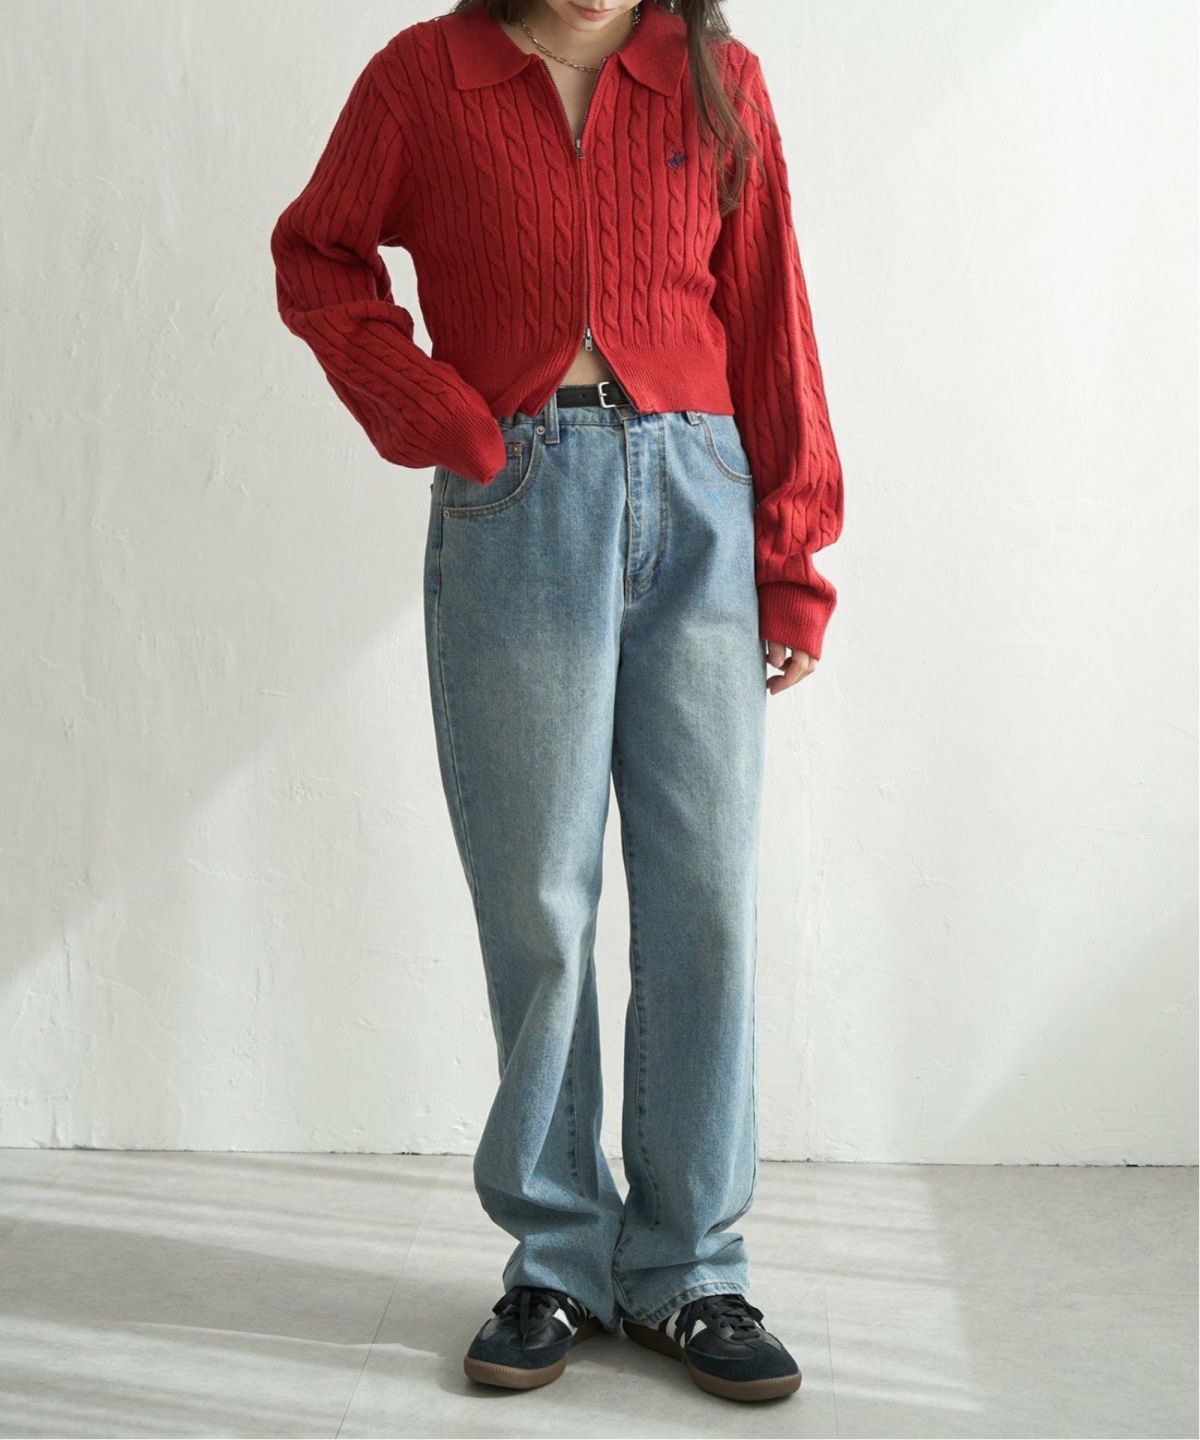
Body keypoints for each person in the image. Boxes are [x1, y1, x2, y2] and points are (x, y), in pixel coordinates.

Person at [270, 0, 843, 1405]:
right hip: (519, 501)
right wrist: (433, 411)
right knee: (538, 899)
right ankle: (557, 1257)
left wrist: (791, 557)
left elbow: (772, 317)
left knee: (707, 895)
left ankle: (691, 1266)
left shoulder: (719, 78)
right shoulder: (426, 77)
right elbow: (318, 253)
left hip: (701, 505)